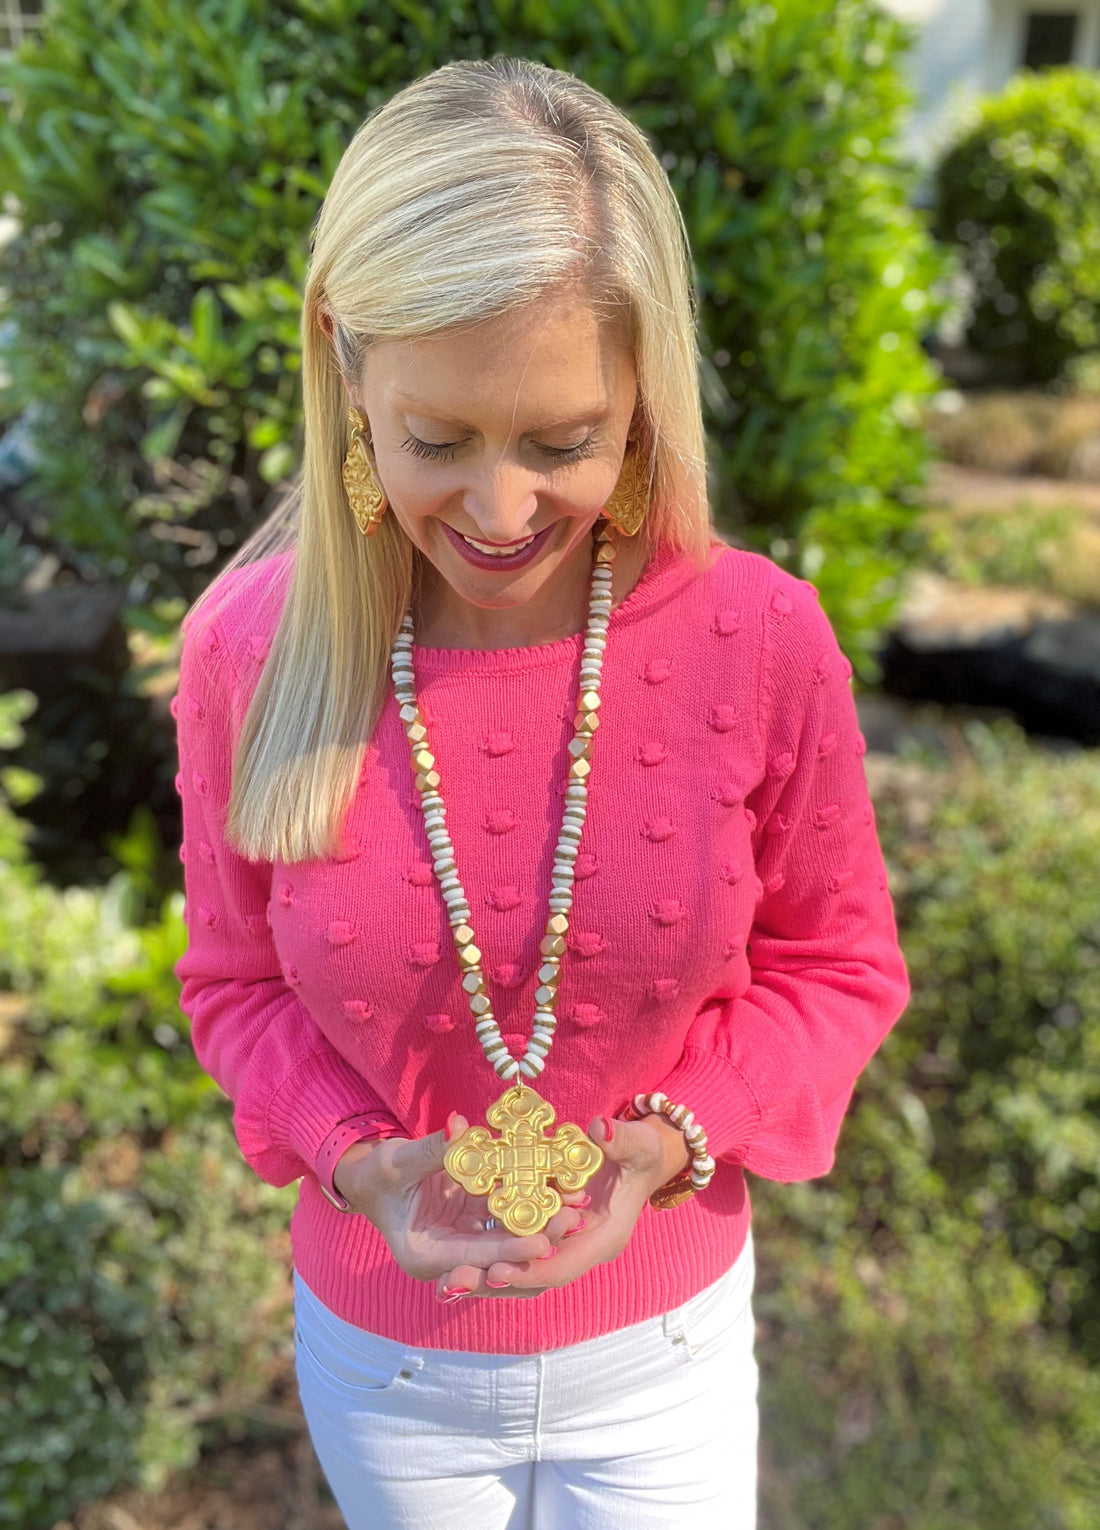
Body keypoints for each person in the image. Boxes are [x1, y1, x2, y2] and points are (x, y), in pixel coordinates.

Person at [172, 56, 910, 1530]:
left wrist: (670, 1137)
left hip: (667, 1355)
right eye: (439, 440)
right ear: (345, 366)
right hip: (387, 1367)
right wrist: (363, 1164)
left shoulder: (758, 636)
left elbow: (840, 966)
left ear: (642, 398)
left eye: (564, 441)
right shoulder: (249, 653)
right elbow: (233, 985)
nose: (503, 513)